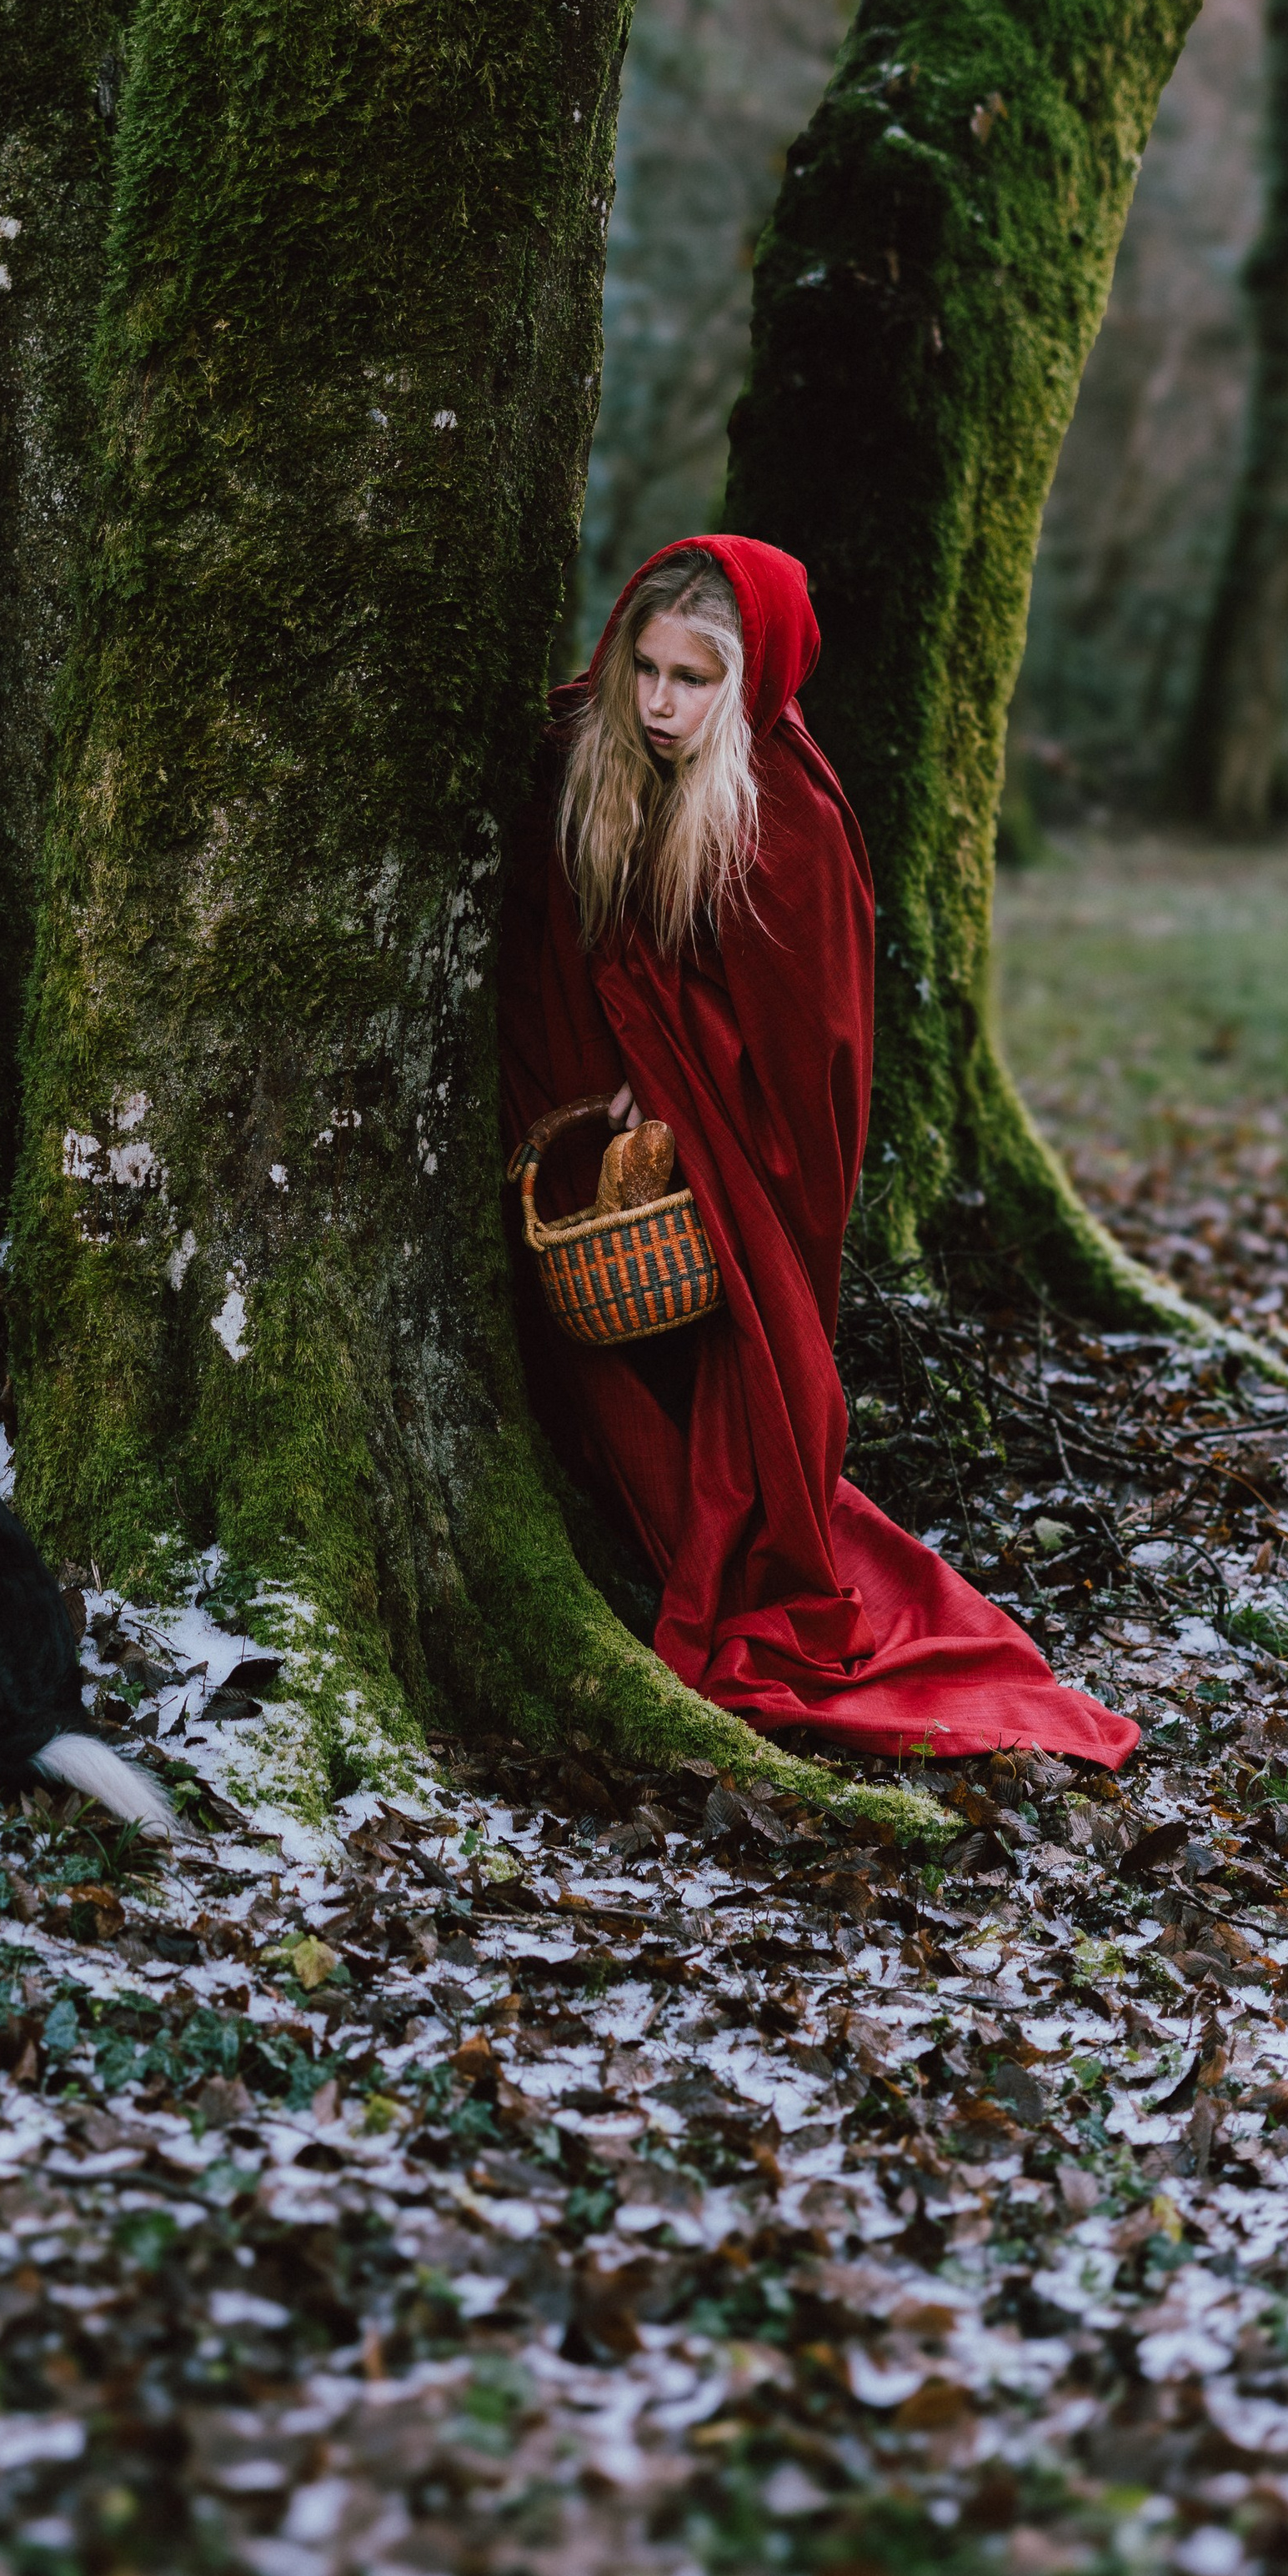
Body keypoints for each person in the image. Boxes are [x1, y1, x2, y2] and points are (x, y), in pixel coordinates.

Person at [499, 534, 1137, 1770]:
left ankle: (735, 1560)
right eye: (649, 670)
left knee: (759, 1386)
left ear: (750, 684)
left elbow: (809, 1052)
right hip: (616, 1146)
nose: (664, 704)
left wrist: (676, 1073)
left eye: (696, 680)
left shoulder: (788, 819)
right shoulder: (598, 757)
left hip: (737, 1159)